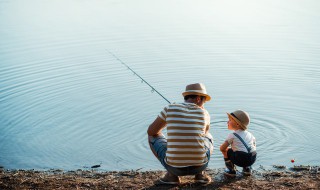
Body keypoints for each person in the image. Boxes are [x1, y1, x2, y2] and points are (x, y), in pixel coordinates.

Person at [147, 83, 214, 184]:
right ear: (199, 99)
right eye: (204, 101)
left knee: (152, 136)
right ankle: (200, 175)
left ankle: (171, 176)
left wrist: (170, 123)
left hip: (174, 168)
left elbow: (151, 131)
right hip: (199, 165)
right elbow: (203, 134)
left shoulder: (170, 108)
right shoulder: (205, 113)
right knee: (209, 137)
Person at [220, 110, 257, 177]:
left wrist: (226, 151)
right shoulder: (250, 134)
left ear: (237, 124)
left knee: (227, 150)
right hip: (252, 158)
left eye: (230, 120)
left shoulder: (233, 135)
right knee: (247, 150)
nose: (227, 122)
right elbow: (254, 145)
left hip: (240, 159)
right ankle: (247, 169)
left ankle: (230, 170)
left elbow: (222, 148)